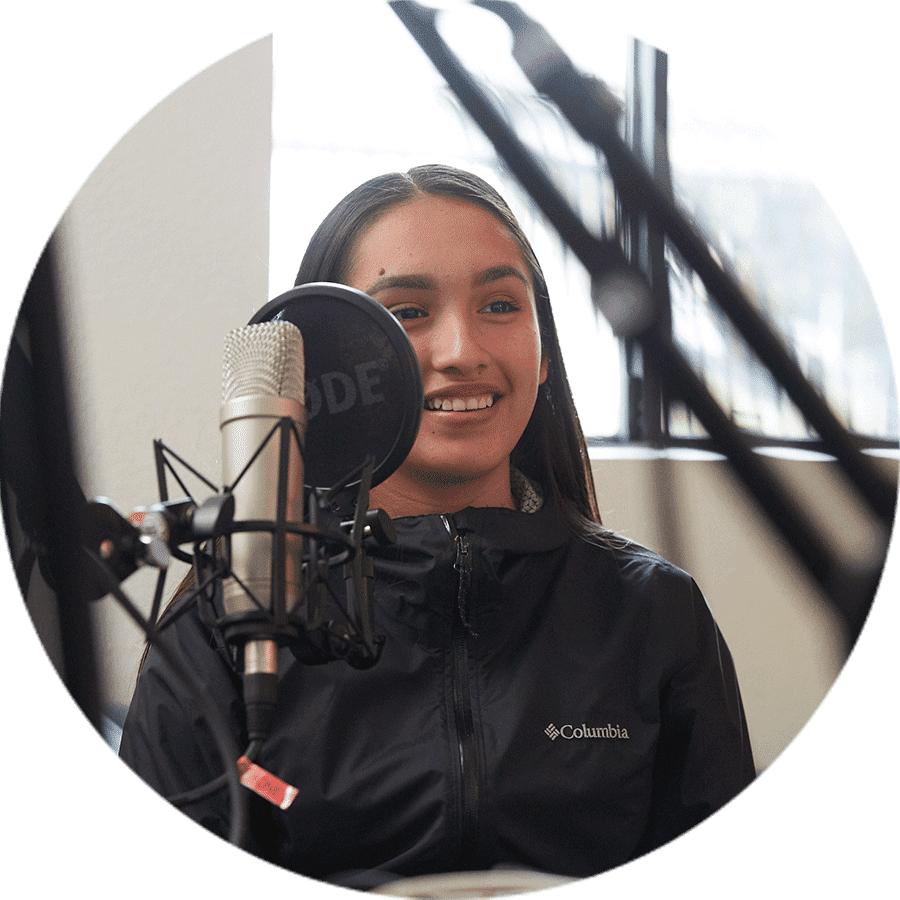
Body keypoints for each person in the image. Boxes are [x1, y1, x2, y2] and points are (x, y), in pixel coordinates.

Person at [120, 164, 755, 887]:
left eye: (500, 306)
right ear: (324, 358)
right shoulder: (225, 627)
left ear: (544, 352)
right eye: (408, 314)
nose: (462, 351)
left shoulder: (652, 614)